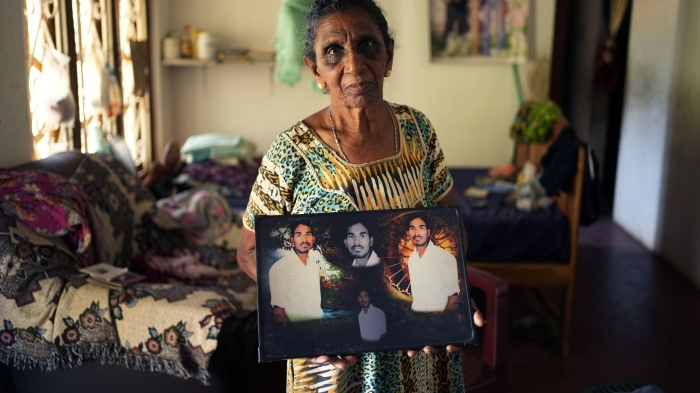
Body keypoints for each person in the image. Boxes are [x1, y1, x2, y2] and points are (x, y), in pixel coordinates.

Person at [237, 0, 484, 391]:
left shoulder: (418, 130)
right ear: (315, 69)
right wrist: (307, 319)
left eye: (367, 45)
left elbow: (451, 232)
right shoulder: (290, 152)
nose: (353, 66)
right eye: (333, 52)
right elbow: (250, 251)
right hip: (333, 357)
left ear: (388, 55)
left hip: (418, 347)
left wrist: (448, 300)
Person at [268, 220, 324, 323]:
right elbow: (279, 312)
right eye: (299, 235)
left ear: (313, 239)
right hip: (294, 330)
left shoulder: (314, 266)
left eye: (308, 234)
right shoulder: (279, 268)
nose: (304, 240)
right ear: (292, 240)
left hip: (317, 325)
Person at [405, 212, 461, 312]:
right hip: (417, 316)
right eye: (412, 228)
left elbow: (453, 299)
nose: (417, 233)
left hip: (439, 319)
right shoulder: (412, 260)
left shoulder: (445, 257)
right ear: (408, 233)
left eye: (421, 228)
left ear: (428, 232)